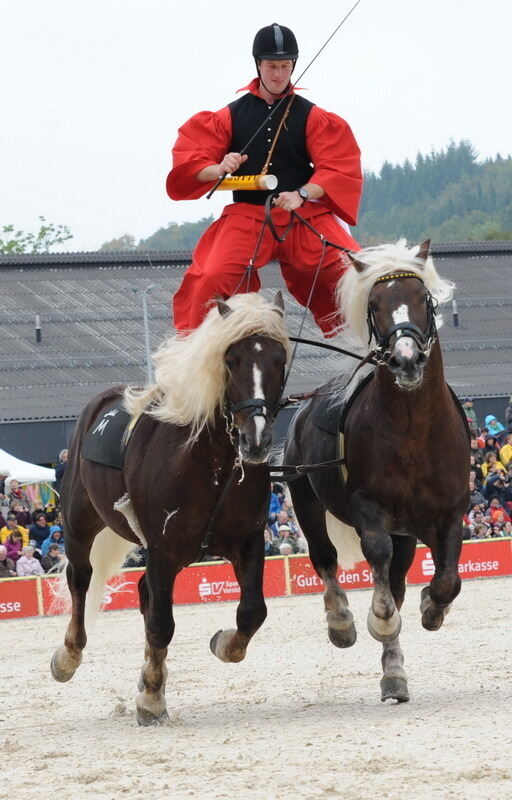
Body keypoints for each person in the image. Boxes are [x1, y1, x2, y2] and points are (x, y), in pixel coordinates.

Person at [166, 23, 363, 335]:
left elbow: (337, 168)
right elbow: (192, 163)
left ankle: (364, 345)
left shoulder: (313, 116)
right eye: (272, 66)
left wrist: (302, 192)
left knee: (357, 270)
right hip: (248, 214)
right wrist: (218, 167)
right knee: (211, 276)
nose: (279, 75)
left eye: (285, 66)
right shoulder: (227, 117)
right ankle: (195, 353)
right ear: (258, 64)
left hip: (303, 212)